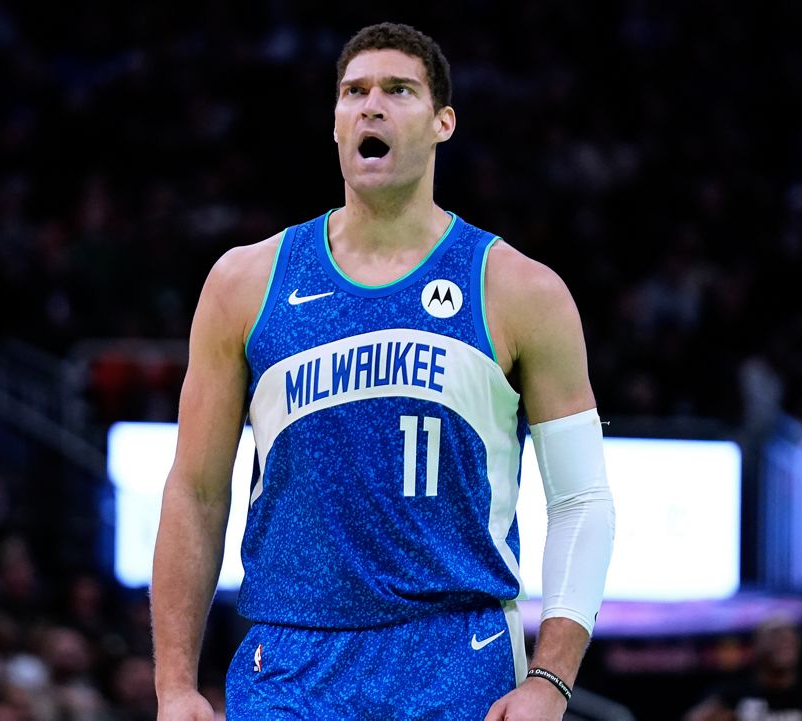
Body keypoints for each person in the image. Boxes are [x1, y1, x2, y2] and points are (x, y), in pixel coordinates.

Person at [151, 22, 616, 720]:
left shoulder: (519, 289)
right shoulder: (245, 283)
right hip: (289, 660)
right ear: (336, 124)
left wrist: (549, 679)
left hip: (458, 654)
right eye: (353, 91)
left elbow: (582, 499)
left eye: (398, 90)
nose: (372, 105)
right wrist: (175, 685)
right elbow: (195, 490)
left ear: (442, 122)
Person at [683, 615, 802, 721]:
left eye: (790, 637)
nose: (784, 640)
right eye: (775, 635)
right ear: (756, 646)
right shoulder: (732, 695)